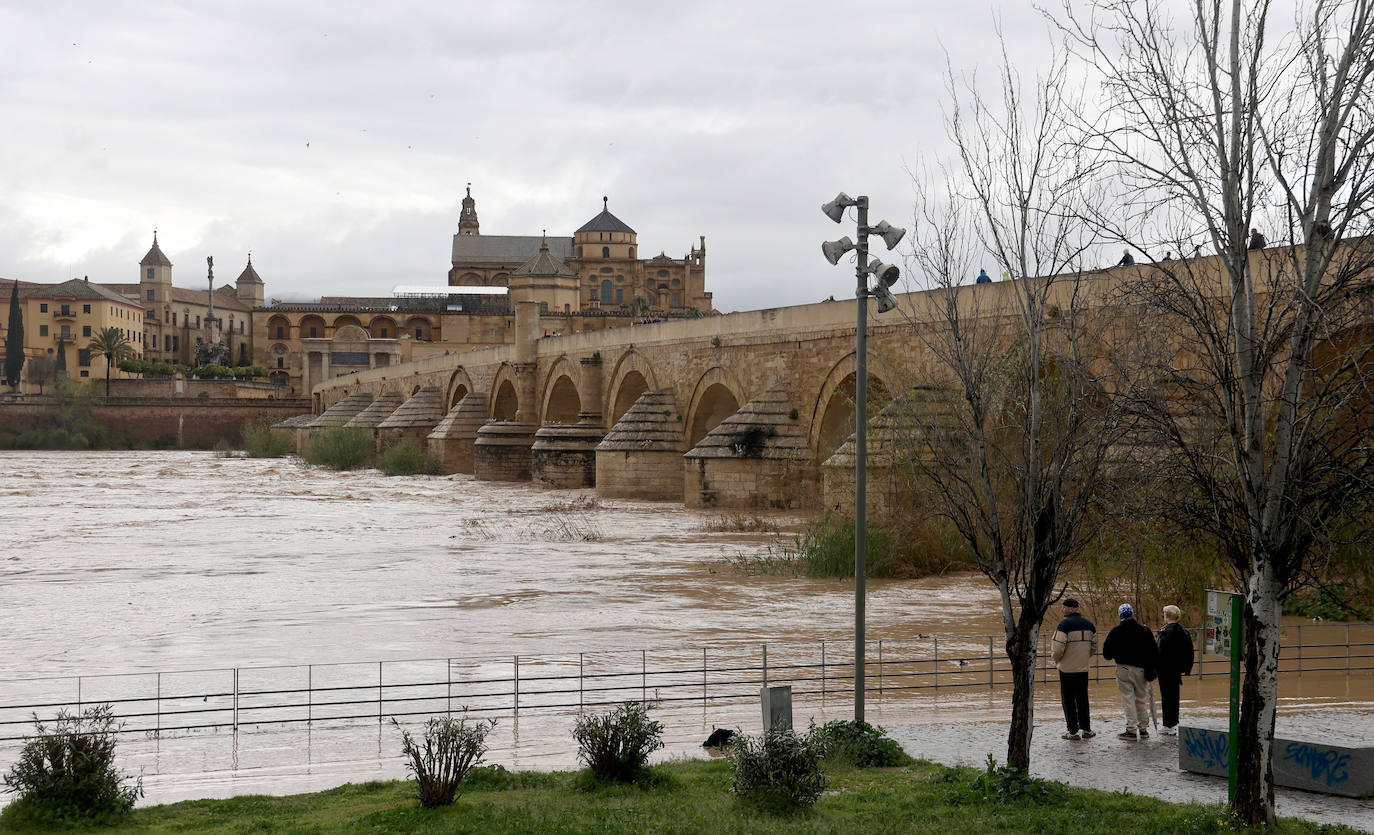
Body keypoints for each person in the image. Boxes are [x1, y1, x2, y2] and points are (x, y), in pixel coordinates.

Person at [1102, 603, 1159, 740]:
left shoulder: (1115, 632)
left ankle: (1131, 730)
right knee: (1141, 699)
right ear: (1133, 614)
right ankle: (1143, 729)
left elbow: (1107, 654)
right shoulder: (1145, 631)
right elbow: (1154, 652)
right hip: (1142, 670)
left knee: (1128, 699)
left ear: (1120, 615)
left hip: (1124, 669)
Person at [1050, 598, 1097, 740]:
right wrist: (1084, 657)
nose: (1062, 610)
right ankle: (1086, 729)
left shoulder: (1064, 625)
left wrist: (1058, 661)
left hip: (1066, 669)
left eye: (1063, 607)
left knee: (1068, 700)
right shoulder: (1089, 624)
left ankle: (1073, 731)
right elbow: (1094, 646)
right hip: (1083, 668)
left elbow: (1057, 649)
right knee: (1083, 699)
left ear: (1070, 608)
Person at [1155, 605, 1195, 736]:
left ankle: (1168, 725)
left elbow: (1158, 651)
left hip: (1164, 669)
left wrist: (1154, 667)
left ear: (1167, 616)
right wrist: (1187, 668)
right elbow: (1190, 651)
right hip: (1177, 669)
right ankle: (1172, 723)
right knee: (1174, 695)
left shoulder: (1164, 631)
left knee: (1166, 696)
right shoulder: (1184, 631)